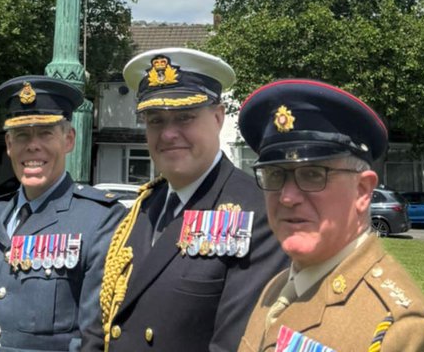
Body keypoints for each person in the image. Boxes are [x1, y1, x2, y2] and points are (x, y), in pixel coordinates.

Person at [81, 48, 286, 352]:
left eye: (184, 117)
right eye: (155, 120)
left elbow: (233, 345)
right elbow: (102, 324)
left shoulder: (258, 213)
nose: (168, 134)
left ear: (218, 117)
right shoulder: (143, 207)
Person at [236, 79, 424, 352]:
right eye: (275, 174)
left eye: (313, 174)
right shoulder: (276, 290)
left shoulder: (399, 330)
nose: (287, 197)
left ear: (362, 192)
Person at [0, 76, 126, 352]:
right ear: (8, 144)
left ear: (69, 140)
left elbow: (95, 339)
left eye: (45, 133)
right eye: (22, 135)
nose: (32, 146)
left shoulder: (100, 220)